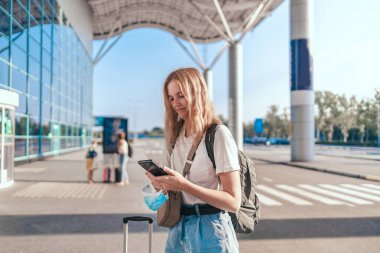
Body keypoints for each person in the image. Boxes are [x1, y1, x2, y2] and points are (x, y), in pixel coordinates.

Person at [146, 68, 241, 252]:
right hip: (178, 227)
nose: (175, 103)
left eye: (180, 95)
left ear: (196, 93)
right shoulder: (174, 136)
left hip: (210, 229)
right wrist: (161, 183)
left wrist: (184, 185)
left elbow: (233, 202)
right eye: (171, 98)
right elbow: (173, 187)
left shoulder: (217, 134)